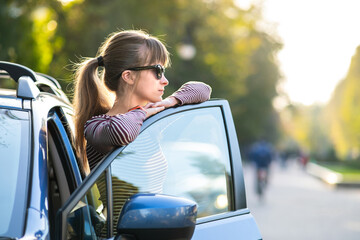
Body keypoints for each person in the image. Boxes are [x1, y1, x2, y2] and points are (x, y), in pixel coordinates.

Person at [72, 30, 211, 175]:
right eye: (157, 71)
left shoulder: (149, 117)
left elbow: (203, 90)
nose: (165, 80)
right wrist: (143, 112)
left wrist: (170, 101)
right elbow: (122, 132)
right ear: (128, 76)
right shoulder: (97, 127)